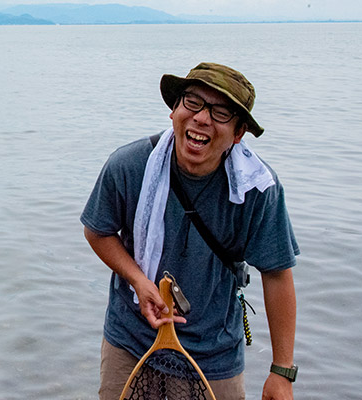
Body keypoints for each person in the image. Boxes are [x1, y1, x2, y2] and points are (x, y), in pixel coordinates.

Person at [81, 63, 299, 400]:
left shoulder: (257, 190)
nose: (201, 118)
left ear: (238, 134)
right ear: (174, 111)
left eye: (221, 111)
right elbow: (98, 231)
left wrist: (281, 372)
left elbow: (277, 274)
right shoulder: (129, 166)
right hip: (130, 341)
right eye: (193, 102)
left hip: (213, 354)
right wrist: (139, 280)